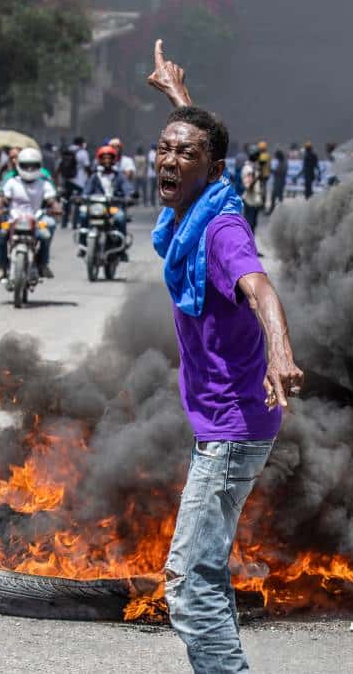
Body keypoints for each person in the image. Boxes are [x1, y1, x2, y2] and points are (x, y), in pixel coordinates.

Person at [146, 40, 303, 673]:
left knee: (189, 583)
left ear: (210, 170)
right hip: (226, 425)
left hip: (234, 429)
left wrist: (279, 353)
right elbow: (205, 141)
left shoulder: (220, 228)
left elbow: (260, 287)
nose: (170, 158)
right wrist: (179, 98)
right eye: (165, 147)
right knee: (202, 573)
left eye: (186, 153)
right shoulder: (210, 198)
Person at [0, 147, 60, 279]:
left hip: (36, 220)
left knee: (46, 234)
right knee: (1, 235)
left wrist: (56, 207)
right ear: (19, 165)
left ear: (39, 166)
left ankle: (43, 264)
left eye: (33, 166)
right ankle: (1, 265)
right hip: (14, 219)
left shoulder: (44, 184)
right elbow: (3, 198)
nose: (29, 169)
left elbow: (51, 199)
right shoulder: (12, 182)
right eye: (26, 166)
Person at [81, 145, 136, 259]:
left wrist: (129, 196)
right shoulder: (95, 176)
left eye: (109, 158)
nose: (107, 160)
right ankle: (82, 245)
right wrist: (81, 197)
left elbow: (127, 188)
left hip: (113, 207)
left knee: (120, 217)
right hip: (97, 207)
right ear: (99, 160)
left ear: (114, 159)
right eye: (104, 158)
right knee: (83, 214)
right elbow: (87, 190)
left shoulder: (119, 176)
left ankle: (122, 248)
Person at [240, 148, 264, 235]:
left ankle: (250, 244)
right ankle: (247, 245)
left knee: (253, 224)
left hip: (255, 201)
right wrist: (256, 177)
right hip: (250, 201)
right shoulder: (248, 169)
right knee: (249, 225)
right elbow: (248, 186)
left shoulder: (254, 168)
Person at [269, 149, 287, 213]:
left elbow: (280, 172)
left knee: (277, 196)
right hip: (278, 181)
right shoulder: (281, 162)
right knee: (276, 196)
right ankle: (274, 209)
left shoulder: (283, 163)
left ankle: (278, 210)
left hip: (279, 182)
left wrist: (272, 170)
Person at [146, 142, 157, 207]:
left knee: (154, 189)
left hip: (152, 174)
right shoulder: (152, 153)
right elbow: (152, 164)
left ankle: (153, 201)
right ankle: (152, 202)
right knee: (153, 189)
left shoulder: (152, 153)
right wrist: (156, 172)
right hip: (153, 174)